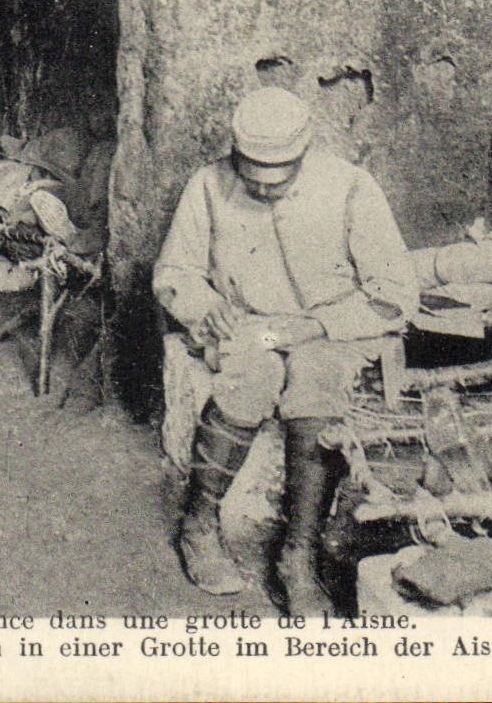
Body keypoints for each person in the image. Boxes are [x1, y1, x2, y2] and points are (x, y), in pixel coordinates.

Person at [152, 87, 417, 614]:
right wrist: (206, 307)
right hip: (253, 326)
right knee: (251, 376)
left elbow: (395, 293)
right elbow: (174, 273)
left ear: (304, 154)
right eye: (252, 178)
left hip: (329, 328)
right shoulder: (208, 185)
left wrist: (318, 324)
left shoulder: (349, 186)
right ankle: (199, 522)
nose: (265, 189)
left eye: (280, 178)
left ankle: (298, 553)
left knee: (315, 383)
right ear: (235, 155)